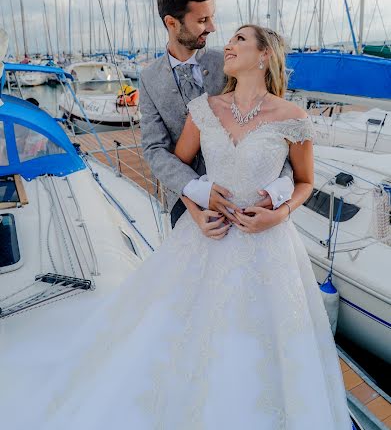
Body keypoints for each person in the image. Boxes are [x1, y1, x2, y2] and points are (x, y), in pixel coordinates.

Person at [29, 23, 351, 429]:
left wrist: (280, 213)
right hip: (205, 238)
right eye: (229, 38)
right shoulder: (205, 108)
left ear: (265, 55)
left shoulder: (293, 118)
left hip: (268, 248)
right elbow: (178, 170)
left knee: (263, 351)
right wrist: (195, 210)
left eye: (239, 40)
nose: (227, 45)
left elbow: (304, 182)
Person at [139, 0, 294, 229]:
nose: (212, 27)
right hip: (185, 201)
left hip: (251, 202)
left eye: (212, 17)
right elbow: (155, 149)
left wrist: (280, 189)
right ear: (171, 23)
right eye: (202, 20)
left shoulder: (232, 63)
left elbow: (276, 133)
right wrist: (196, 193)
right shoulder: (148, 78)